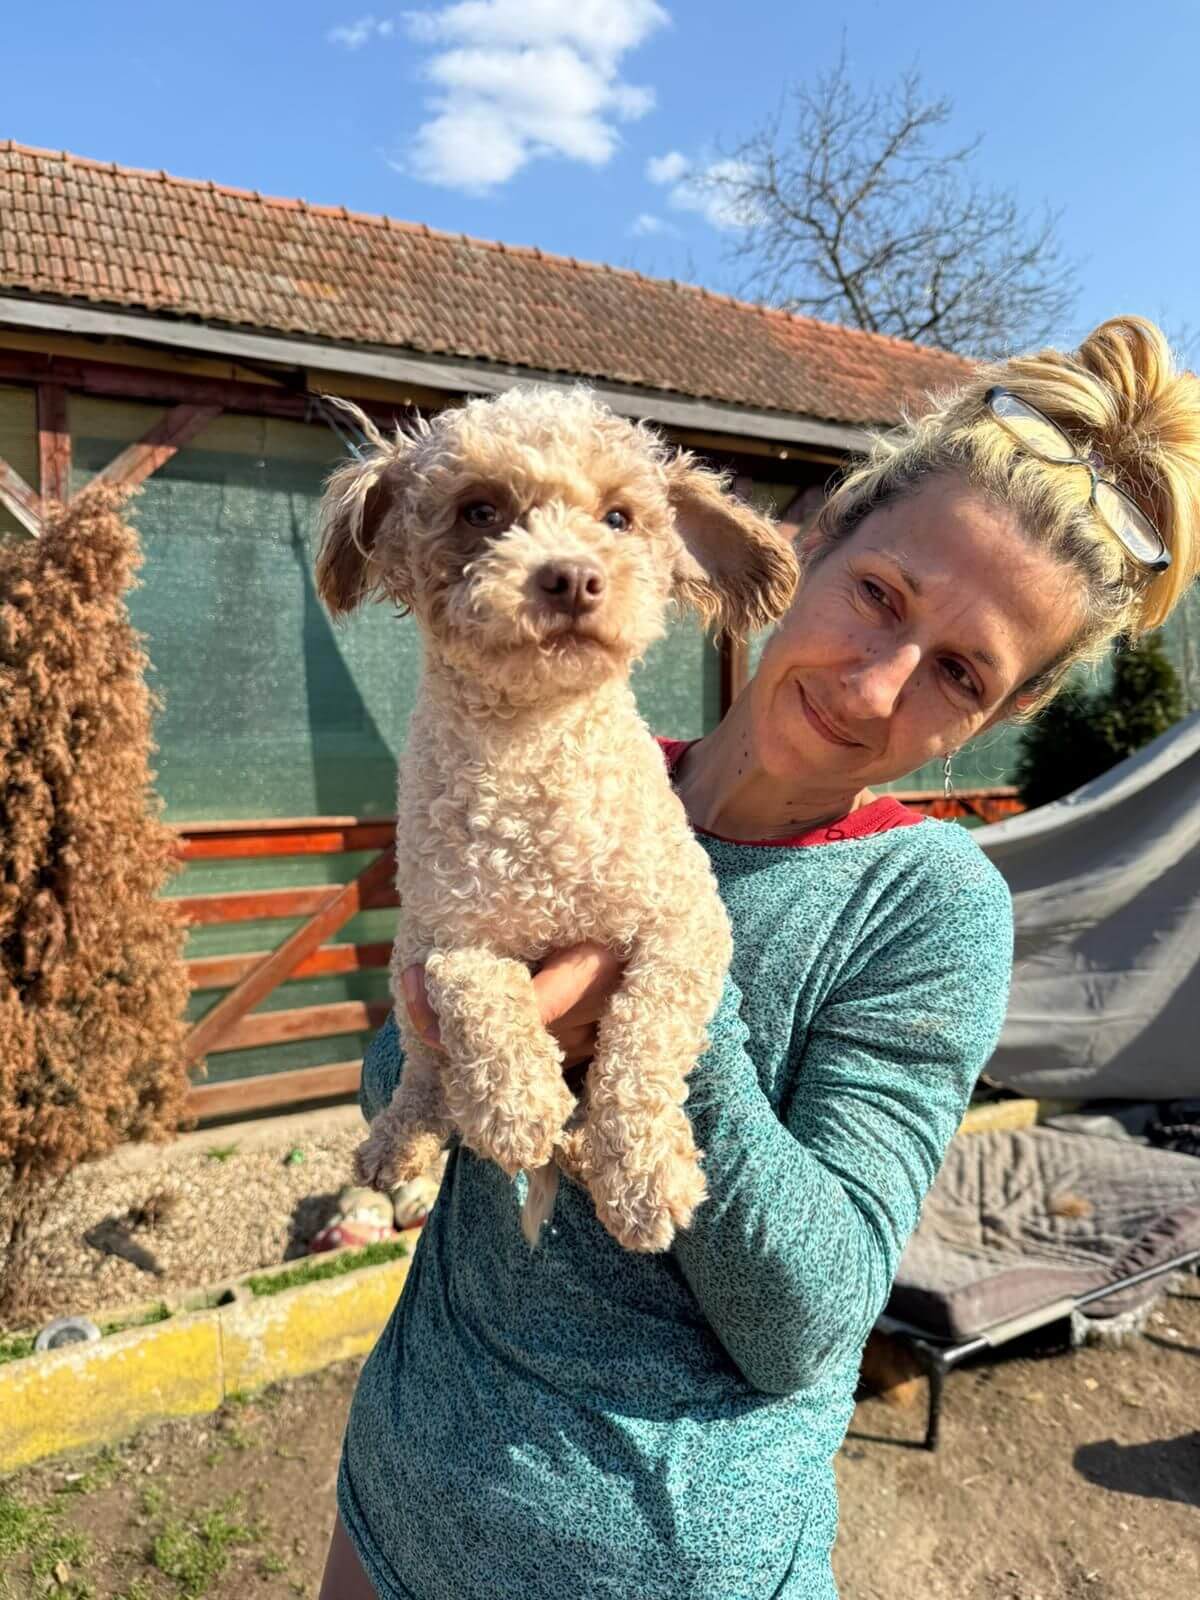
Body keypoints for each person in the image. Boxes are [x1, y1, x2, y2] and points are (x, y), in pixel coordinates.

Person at [319, 316, 1200, 1600]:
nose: (872, 684)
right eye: (879, 596)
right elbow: (396, 1079)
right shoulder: (575, 765)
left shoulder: (927, 903)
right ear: (817, 543)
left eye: (957, 670)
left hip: (656, 1564)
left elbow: (808, 1324)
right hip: (397, 1495)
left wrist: (651, 1026)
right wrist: (455, 1023)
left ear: (1005, 716)